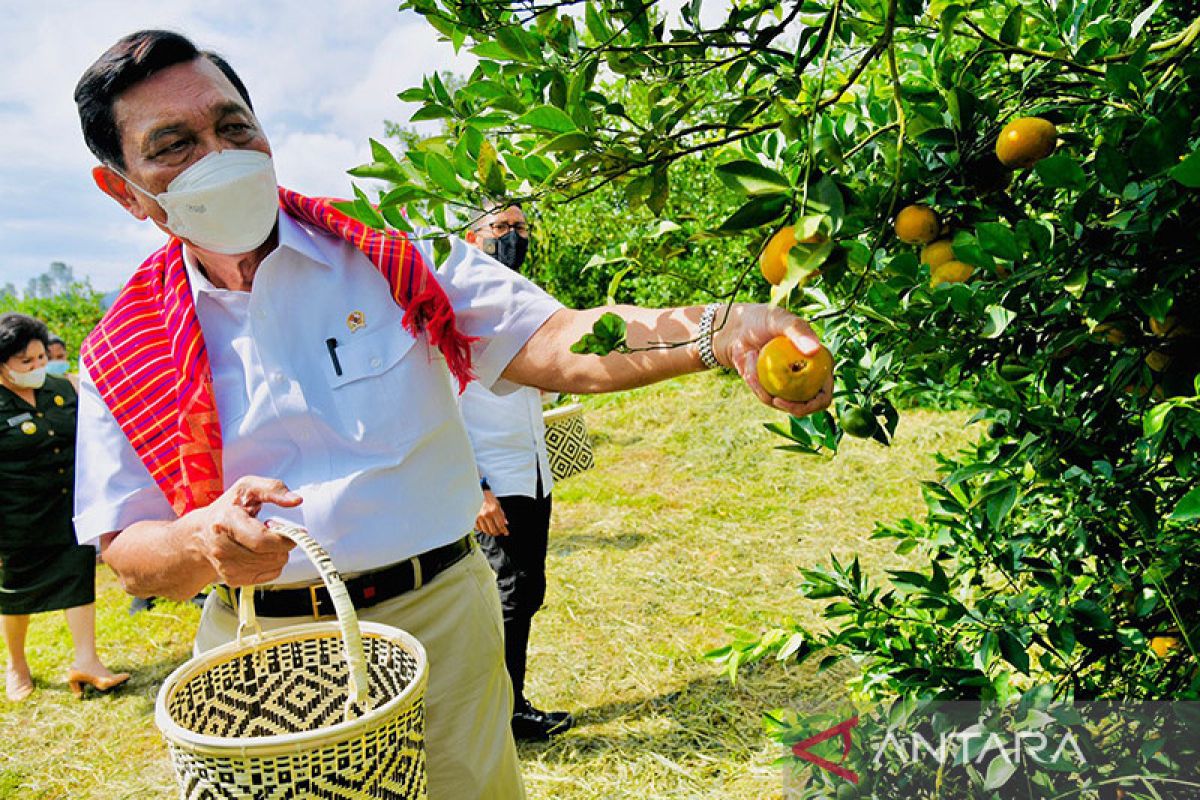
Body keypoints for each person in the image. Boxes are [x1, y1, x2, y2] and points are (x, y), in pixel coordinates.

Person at [72, 30, 831, 799]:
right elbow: (128, 550)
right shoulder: (121, 350)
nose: (220, 157)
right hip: (257, 648)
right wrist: (199, 542)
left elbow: (561, 341)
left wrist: (717, 330)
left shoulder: (393, 253)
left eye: (233, 128)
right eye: (174, 145)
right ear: (126, 190)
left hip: (436, 618)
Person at [460, 204, 571, 741]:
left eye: (521, 228)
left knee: (526, 591)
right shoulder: (460, 303)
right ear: (473, 237)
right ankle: (501, 714)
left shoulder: (520, 298)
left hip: (531, 471)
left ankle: (509, 704)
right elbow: (444, 403)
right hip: (494, 480)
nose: (514, 237)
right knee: (506, 594)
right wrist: (475, 488)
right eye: (501, 228)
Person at [0, 313, 129, 702]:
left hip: (65, 506)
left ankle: (87, 661)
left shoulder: (62, 390)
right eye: (26, 362)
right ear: (3, 366)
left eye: (40, 358)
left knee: (77, 576)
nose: (37, 368)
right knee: (16, 591)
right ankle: (16, 664)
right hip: (17, 515)